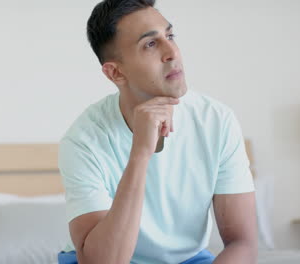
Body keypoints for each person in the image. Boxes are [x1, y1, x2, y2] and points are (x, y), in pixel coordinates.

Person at [57, 0, 258, 263]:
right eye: (150, 44)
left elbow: (243, 243)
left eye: (170, 36)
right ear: (116, 72)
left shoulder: (216, 121)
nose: (172, 52)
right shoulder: (83, 141)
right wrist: (140, 153)